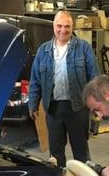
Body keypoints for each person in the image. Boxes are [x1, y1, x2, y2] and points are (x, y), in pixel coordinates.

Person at [28, 10, 100, 167]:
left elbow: (95, 78)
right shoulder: (43, 51)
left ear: (72, 27)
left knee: (81, 151)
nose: (63, 30)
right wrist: (33, 104)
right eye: (59, 26)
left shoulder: (84, 48)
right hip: (53, 108)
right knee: (55, 152)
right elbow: (35, 80)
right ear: (54, 26)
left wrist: (97, 104)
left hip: (78, 107)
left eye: (67, 26)